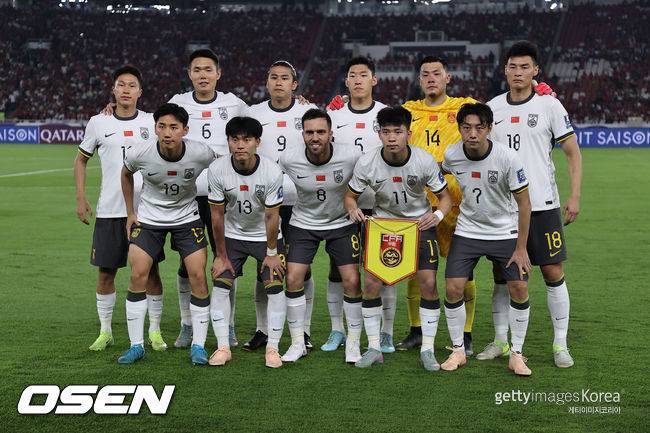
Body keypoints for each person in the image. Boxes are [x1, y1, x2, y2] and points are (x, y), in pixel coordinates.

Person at [483, 41, 582, 368]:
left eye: (525, 67)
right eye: (513, 66)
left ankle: (560, 344)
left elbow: (572, 152)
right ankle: (500, 340)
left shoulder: (550, 106)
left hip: (542, 204)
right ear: (505, 70)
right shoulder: (493, 108)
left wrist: (574, 196)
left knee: (553, 271)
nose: (518, 72)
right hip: (504, 208)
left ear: (536, 71)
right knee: (504, 276)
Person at [345, 106, 452, 370]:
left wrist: (437, 216)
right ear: (379, 134)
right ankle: (374, 348)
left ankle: (427, 350)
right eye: (386, 132)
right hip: (383, 226)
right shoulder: (367, 162)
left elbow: (445, 198)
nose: (392, 137)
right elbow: (350, 196)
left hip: (419, 225)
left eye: (398, 132)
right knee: (371, 284)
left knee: (428, 284)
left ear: (409, 134)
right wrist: (353, 208)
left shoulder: (424, 160)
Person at [74, 65, 165, 352]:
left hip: (146, 212)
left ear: (140, 92)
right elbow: (81, 159)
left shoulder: (152, 122)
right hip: (110, 211)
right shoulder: (98, 123)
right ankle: (105, 332)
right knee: (106, 273)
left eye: (131, 85)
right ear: (113, 90)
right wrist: (80, 197)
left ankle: (155, 331)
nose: (126, 90)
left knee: (151, 273)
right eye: (121, 85)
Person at [439, 102, 533, 376]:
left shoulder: (507, 158)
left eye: (479, 128)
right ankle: (458, 351)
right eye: (466, 127)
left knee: (519, 288)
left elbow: (525, 204)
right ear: (459, 129)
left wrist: (521, 248)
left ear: (489, 129)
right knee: (453, 288)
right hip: (468, 231)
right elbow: (440, 168)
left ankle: (516, 354)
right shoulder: (453, 154)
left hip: (504, 232)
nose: (472, 134)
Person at [118, 103, 216, 365]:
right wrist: (130, 212)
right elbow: (125, 174)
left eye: (173, 127)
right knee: (137, 274)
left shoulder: (200, 152)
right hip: (149, 219)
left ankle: (198, 346)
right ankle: (136, 345)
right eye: (161, 126)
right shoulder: (141, 152)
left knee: (198, 275)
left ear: (185, 130)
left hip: (187, 217)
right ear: (155, 129)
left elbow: (222, 169)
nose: (167, 132)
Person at [168, 49, 248, 349]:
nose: (203, 75)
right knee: (186, 264)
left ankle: (228, 326)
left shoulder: (234, 104)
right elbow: (155, 126)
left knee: (226, 262)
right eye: (197, 70)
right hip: (187, 198)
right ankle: (187, 324)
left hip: (223, 198)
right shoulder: (178, 103)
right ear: (189, 74)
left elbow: (261, 124)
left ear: (218, 73)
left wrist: (300, 102)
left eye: (208, 69)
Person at [243, 60, 318, 352]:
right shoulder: (253, 113)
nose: (278, 82)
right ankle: (262, 330)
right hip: (265, 202)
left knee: (302, 267)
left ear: (294, 84)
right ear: (267, 82)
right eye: (273, 77)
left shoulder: (307, 112)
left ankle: (305, 331)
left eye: (285, 78)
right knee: (265, 266)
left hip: (299, 200)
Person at [279, 108, 363, 363]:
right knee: (293, 278)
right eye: (309, 132)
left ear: (330, 134)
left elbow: (370, 176)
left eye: (320, 132)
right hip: (304, 223)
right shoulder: (288, 159)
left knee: (351, 280)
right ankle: (297, 343)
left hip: (341, 223)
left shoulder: (351, 155)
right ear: (302, 135)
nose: (315, 137)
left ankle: (353, 342)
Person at [325, 57, 396, 354]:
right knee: (339, 269)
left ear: (374, 80)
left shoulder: (386, 114)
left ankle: (386, 333)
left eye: (363, 75)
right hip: (343, 205)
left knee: (386, 269)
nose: (357, 80)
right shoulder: (333, 114)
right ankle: (337, 330)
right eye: (352, 75)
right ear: (346, 81)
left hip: (381, 206)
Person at [207, 116, 286, 368]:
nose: (240, 145)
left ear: (257, 142)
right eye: (235, 139)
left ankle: (273, 348)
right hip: (233, 236)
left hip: (266, 237)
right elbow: (216, 215)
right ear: (228, 142)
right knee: (220, 285)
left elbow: (272, 216)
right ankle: (223, 347)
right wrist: (220, 255)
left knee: (274, 287)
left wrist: (272, 253)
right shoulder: (217, 169)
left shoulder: (272, 171)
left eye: (247, 139)